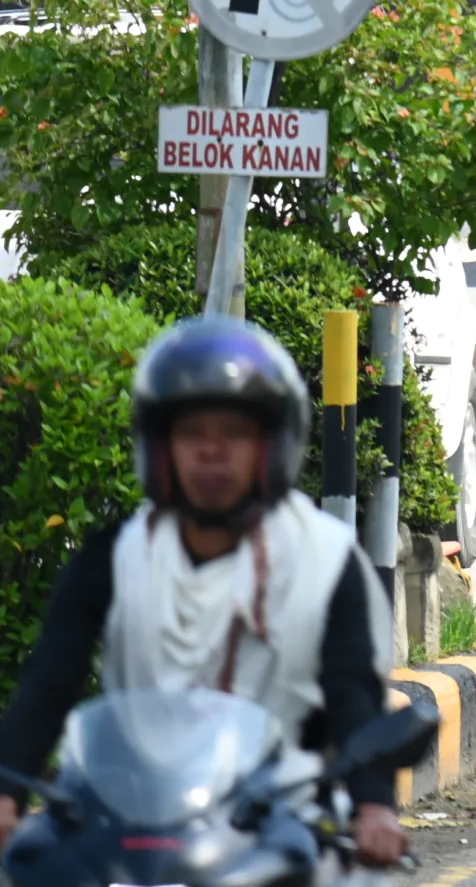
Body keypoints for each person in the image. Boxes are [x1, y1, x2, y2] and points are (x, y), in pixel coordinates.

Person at [0, 320, 406, 868]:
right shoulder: (117, 556)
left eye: (234, 434)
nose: (212, 453)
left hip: (285, 827)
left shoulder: (326, 560)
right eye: (193, 434)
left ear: (271, 448)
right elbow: (51, 679)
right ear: (161, 448)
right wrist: (6, 793)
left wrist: (375, 810)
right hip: (132, 826)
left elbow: (353, 694)